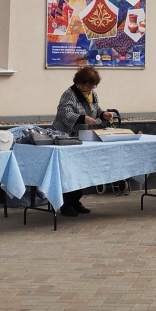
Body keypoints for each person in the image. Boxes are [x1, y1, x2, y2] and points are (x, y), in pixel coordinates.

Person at [53, 65, 115, 215]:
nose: (92, 88)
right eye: (89, 85)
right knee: (69, 171)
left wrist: (103, 114)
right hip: (67, 136)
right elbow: (64, 113)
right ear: (81, 82)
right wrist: (82, 118)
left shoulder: (92, 94)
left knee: (80, 170)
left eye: (94, 85)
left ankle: (75, 201)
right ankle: (66, 204)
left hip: (82, 137)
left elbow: (96, 109)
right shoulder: (69, 94)